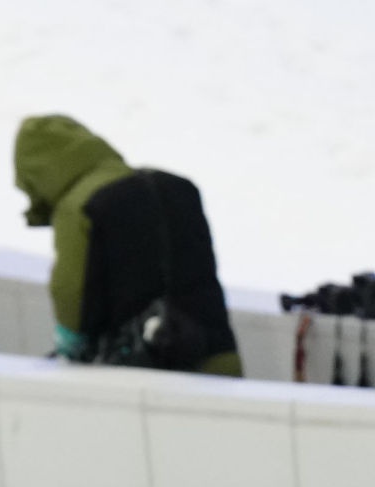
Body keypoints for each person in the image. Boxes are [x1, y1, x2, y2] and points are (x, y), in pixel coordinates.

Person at [13, 114, 243, 376]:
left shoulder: (79, 206)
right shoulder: (176, 187)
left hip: (142, 373)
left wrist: (70, 347)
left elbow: (71, 292)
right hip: (219, 361)